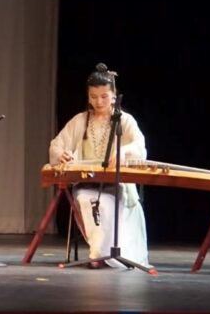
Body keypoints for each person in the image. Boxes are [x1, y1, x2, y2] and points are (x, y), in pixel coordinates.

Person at [49, 67, 148, 269]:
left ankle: (103, 255)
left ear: (114, 96)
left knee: (109, 205)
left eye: (104, 96)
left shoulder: (124, 120)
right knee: (88, 201)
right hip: (88, 184)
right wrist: (62, 154)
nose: (99, 102)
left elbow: (140, 146)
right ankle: (99, 254)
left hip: (117, 185)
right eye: (93, 97)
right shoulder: (80, 120)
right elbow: (56, 145)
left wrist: (123, 152)